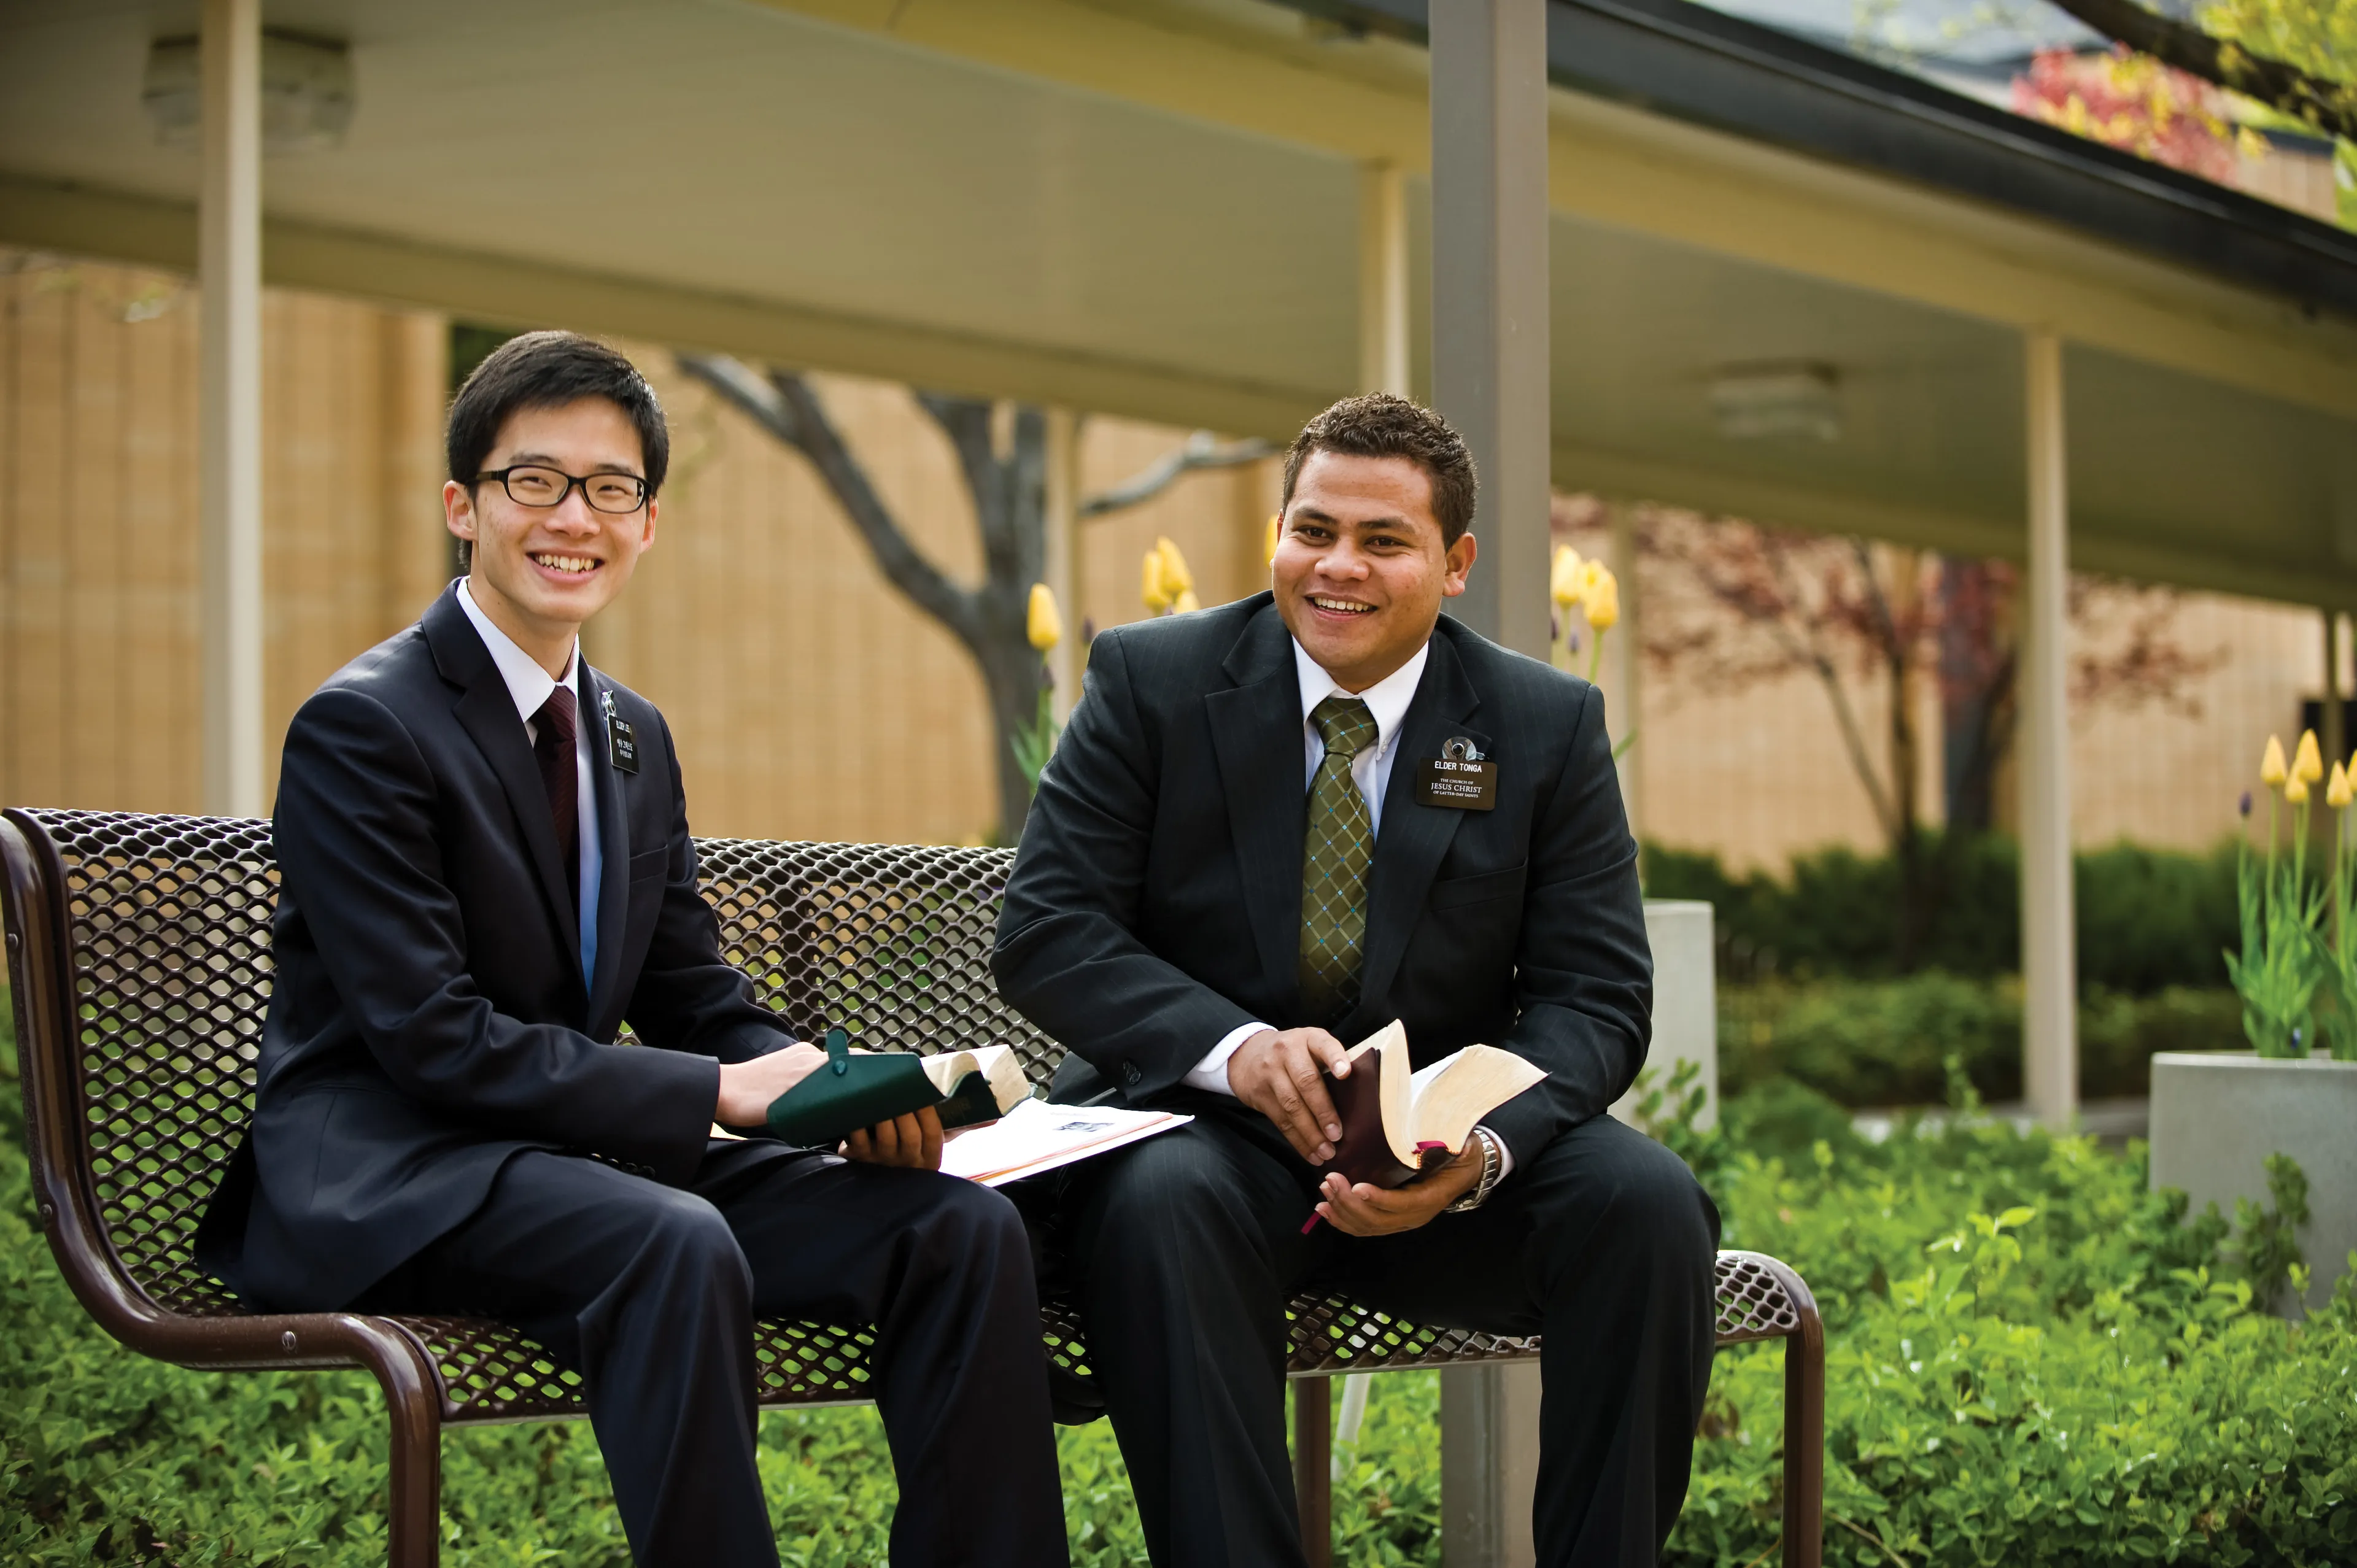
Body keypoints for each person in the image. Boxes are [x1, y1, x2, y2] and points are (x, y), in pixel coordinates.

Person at [196, 331, 1067, 1568]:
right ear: (464, 505)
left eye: (612, 489)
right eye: (534, 480)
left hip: (567, 1156)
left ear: (647, 524)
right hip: (394, 1168)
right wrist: (718, 1090)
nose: (575, 517)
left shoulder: (627, 733)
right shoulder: (364, 725)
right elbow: (428, 1038)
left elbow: (693, 994)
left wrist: (850, 1090)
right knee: (672, 1235)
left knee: (956, 1225)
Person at [994, 393, 1720, 1568]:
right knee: (1161, 1201)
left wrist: (1471, 1153)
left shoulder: (1545, 724)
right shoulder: (1151, 681)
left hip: (1440, 1166)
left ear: (1456, 562)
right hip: (1212, 1144)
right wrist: (1234, 1046)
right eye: (1312, 529)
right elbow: (1049, 926)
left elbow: (1597, 998)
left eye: (1384, 541)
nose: (1338, 566)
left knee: (1646, 1207)